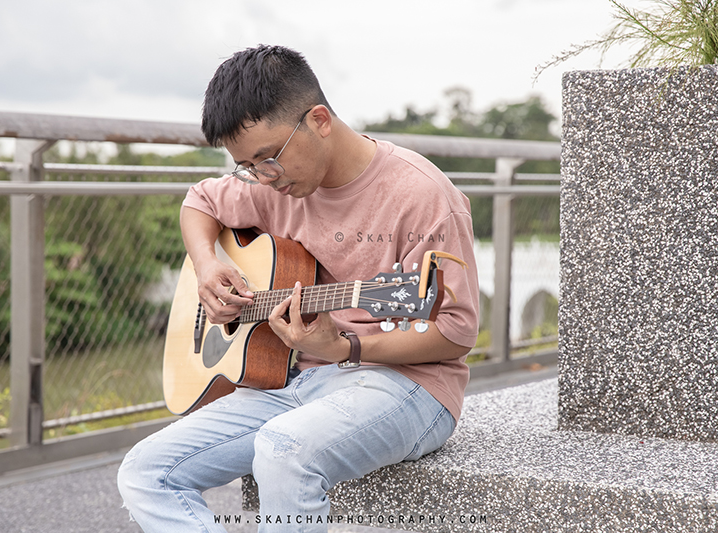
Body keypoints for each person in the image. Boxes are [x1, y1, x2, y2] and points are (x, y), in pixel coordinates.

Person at [117, 44, 479, 532]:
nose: (263, 178)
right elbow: (199, 200)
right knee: (144, 471)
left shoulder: (421, 194)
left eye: (268, 159)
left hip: (408, 384)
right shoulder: (271, 185)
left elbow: (457, 331)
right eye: (247, 167)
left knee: (283, 450)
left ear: (320, 120)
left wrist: (346, 345)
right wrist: (207, 267)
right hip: (291, 382)